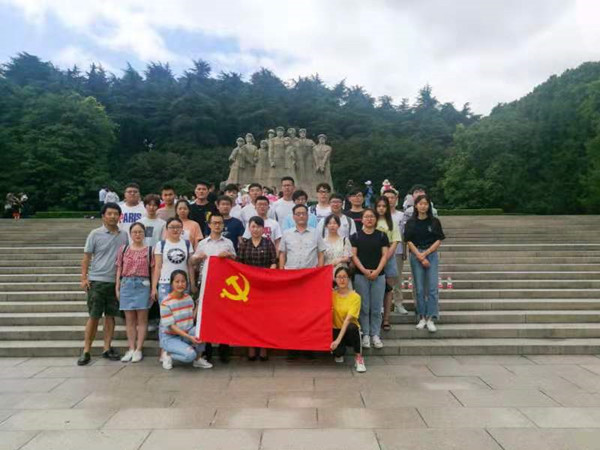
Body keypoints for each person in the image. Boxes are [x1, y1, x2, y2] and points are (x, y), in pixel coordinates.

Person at [77, 202, 129, 365]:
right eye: (109, 214)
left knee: (110, 317)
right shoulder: (95, 234)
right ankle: (86, 350)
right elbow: (86, 257)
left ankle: (107, 348)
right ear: (103, 216)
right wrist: (84, 278)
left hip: (115, 282)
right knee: (94, 316)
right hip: (97, 281)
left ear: (120, 216)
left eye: (116, 214)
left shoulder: (124, 235)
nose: (113, 216)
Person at [279, 204, 326, 359]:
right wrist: (281, 272)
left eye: (303, 213)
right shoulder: (286, 234)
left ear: (308, 216)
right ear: (293, 217)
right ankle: (292, 347)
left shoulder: (315, 233)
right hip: (291, 279)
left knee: (308, 314)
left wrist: (319, 271)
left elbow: (321, 253)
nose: (301, 216)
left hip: (310, 279)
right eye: (298, 214)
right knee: (291, 314)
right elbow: (282, 254)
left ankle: (308, 347)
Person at [191, 213, 236, 363]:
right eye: (214, 223)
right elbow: (193, 262)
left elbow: (235, 260)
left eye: (220, 223)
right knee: (206, 317)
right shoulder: (203, 243)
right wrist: (197, 258)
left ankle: (224, 349)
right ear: (209, 225)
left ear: (223, 225)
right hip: (206, 284)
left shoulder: (228, 243)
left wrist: (228, 255)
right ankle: (207, 350)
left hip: (223, 285)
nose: (217, 225)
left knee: (224, 317)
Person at [237, 216, 277, 361]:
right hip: (248, 287)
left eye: (259, 227)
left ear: (263, 229)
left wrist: (267, 275)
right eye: (253, 226)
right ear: (249, 228)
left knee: (264, 318)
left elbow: (274, 262)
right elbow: (239, 264)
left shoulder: (268, 243)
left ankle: (264, 347)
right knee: (249, 318)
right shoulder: (244, 244)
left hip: (265, 286)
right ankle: (251, 347)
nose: (256, 229)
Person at [404, 194, 445, 333]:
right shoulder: (411, 222)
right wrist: (420, 256)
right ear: (416, 205)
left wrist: (426, 254)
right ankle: (421, 316)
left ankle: (431, 318)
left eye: (425, 204)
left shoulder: (434, 222)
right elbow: (408, 240)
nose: (423, 206)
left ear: (429, 206)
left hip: (431, 254)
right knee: (419, 289)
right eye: (420, 203)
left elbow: (438, 240)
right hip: (416, 254)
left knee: (432, 288)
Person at [350, 209, 389, 349]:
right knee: (364, 306)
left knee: (377, 307)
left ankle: (375, 334)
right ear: (362, 219)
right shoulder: (355, 236)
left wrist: (377, 271)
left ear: (376, 219)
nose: (369, 219)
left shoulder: (382, 236)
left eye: (372, 216)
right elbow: (354, 256)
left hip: (379, 275)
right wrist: (364, 270)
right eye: (366, 216)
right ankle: (365, 334)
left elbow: (385, 255)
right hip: (361, 275)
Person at [159, 270, 213, 370]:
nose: (180, 284)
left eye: (183, 281)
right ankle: (168, 354)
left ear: (186, 283)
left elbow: (191, 318)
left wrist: (198, 305)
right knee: (190, 355)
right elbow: (172, 327)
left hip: (186, 333)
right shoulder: (165, 303)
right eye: (177, 281)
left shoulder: (188, 298)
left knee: (202, 330)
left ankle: (198, 359)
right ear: (171, 283)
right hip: (171, 337)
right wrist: (189, 337)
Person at [115, 222, 153, 363]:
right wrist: (117, 286)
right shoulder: (123, 249)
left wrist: (153, 288)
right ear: (130, 234)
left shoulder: (150, 250)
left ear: (144, 234)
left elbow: (153, 270)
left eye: (140, 232)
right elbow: (119, 268)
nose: (137, 234)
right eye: (135, 232)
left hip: (143, 285)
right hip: (126, 284)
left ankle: (139, 349)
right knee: (129, 319)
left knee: (142, 319)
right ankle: (131, 348)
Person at [152, 217, 196, 306]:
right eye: (172, 227)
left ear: (182, 229)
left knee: (183, 310)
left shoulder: (187, 244)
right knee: (166, 311)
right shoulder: (161, 244)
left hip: (182, 283)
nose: (175, 230)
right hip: (165, 283)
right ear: (167, 229)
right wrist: (154, 287)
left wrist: (192, 284)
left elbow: (190, 266)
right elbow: (158, 267)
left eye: (178, 227)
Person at [331, 266, 366, 373]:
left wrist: (337, 340)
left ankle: (359, 358)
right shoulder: (331, 295)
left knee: (352, 327)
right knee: (338, 354)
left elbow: (348, 320)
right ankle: (339, 351)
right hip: (336, 329)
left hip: (349, 330)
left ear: (349, 279)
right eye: (339, 277)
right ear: (335, 279)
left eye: (344, 277)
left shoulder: (355, 297)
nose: (342, 280)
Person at [375, 197, 402, 331]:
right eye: (379, 206)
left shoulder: (392, 222)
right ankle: (376, 318)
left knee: (388, 290)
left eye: (384, 206)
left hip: (389, 258)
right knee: (376, 290)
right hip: (374, 259)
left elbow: (395, 241)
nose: (381, 208)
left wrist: (386, 257)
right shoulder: (372, 220)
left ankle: (386, 319)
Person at [383, 188, 409, 315]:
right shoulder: (379, 215)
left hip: (397, 251)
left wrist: (404, 250)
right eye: (386, 198)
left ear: (396, 199)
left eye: (392, 198)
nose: (389, 200)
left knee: (397, 278)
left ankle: (398, 303)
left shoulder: (401, 216)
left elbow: (404, 235)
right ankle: (383, 304)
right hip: (380, 252)